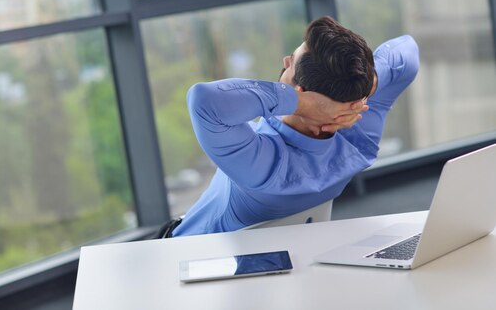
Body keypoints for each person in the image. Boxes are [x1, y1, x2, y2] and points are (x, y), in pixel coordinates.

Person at [166, 16, 419, 237]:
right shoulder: (358, 143)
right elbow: (408, 51)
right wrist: (366, 83)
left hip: (184, 255)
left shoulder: (263, 166)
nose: (285, 60)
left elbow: (204, 100)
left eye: (292, 62)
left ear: (302, 93)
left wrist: (301, 104)